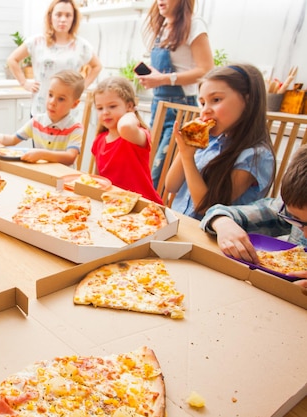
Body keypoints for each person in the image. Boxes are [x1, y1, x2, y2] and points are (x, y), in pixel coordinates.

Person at [164, 64, 276, 220]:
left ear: (248, 100)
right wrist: (185, 150)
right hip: (180, 224)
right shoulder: (208, 140)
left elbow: (207, 209)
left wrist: (188, 158)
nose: (205, 110)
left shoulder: (255, 156)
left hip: (212, 239)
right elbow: (171, 186)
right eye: (202, 103)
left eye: (216, 99)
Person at [200, 145, 307, 290]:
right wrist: (223, 223)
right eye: (297, 221)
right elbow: (219, 211)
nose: (305, 234)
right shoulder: (295, 207)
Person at [137, 0, 214, 187]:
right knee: (149, 169)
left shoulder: (194, 24)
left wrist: (164, 79)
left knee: (160, 173)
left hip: (180, 107)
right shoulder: (163, 27)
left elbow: (206, 69)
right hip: (159, 105)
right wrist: (153, 77)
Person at [7, 0, 102, 117]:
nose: (63, 19)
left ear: (74, 19)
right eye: (58, 14)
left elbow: (97, 66)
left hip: (68, 113)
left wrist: (83, 86)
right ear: (50, 16)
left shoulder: (81, 46)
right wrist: (24, 83)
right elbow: (12, 59)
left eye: (68, 15)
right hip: (41, 109)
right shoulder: (37, 41)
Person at [0, 69, 84, 167]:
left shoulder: (75, 128)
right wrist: (1, 138)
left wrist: (42, 154)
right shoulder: (36, 122)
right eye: (50, 95)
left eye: (61, 99)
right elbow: (13, 139)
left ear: (74, 104)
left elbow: (70, 157)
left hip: (63, 178)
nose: (52, 102)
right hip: (40, 175)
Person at [90, 76, 163, 204]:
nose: (105, 112)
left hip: (143, 205)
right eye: (100, 108)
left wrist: (131, 113)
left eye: (112, 106)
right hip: (115, 204)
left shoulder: (136, 135)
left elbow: (125, 127)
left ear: (129, 106)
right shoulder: (99, 140)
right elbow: (98, 179)